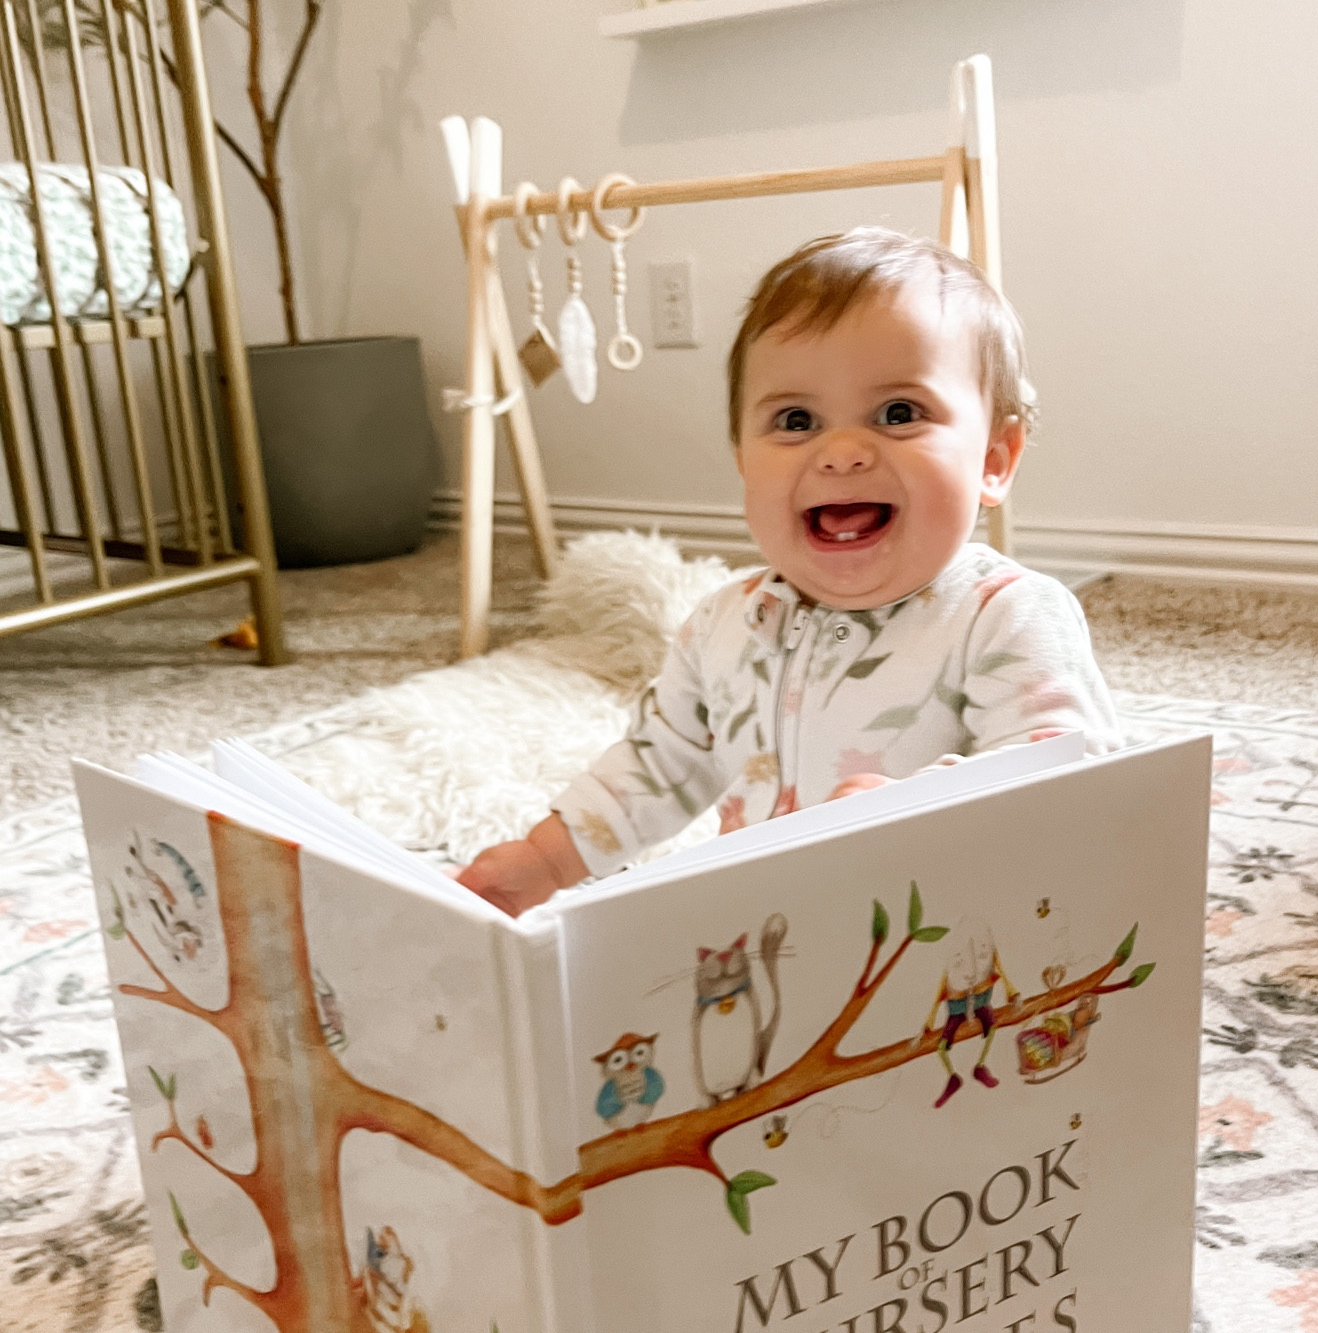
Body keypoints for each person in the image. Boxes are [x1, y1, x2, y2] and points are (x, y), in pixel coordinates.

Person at [459, 227, 1120, 917]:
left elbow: (1065, 781)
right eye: (796, 420)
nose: (840, 452)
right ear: (743, 457)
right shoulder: (722, 625)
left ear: (994, 459)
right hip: (768, 929)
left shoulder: (1005, 615)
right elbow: (659, 764)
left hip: (930, 935)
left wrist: (930, 810)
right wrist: (546, 858)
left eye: (898, 413)